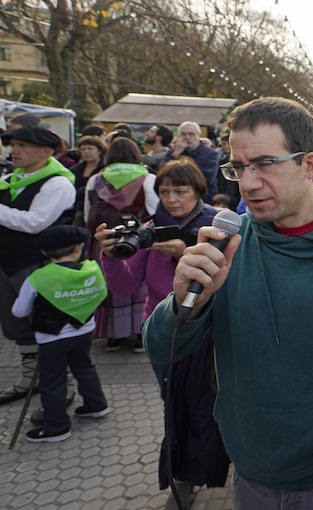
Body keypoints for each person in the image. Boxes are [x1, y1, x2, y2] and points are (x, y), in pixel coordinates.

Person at [143, 96, 313, 509]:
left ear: (310, 164)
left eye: (264, 164)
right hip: (251, 473)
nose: (246, 183)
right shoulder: (228, 240)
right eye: (238, 167)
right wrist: (182, 303)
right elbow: (161, 347)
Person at [94, 158, 227, 507]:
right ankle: (183, 476)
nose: (171, 199)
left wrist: (188, 253)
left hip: (213, 332)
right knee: (175, 406)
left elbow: (234, 282)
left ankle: (222, 466)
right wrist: (109, 255)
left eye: (180, 191)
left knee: (213, 407)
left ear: (198, 191)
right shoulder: (150, 229)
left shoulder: (217, 225)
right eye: (164, 191)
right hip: (166, 332)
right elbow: (124, 285)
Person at [12, 225, 110, 442]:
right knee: (84, 367)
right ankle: (96, 405)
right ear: (79, 247)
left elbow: (19, 311)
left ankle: (56, 427)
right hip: (85, 330)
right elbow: (101, 295)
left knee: (53, 380)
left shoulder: (38, 277)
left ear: (44, 252)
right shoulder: (92, 269)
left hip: (51, 337)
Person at [0, 126, 76, 405]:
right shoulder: (10, 179)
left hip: (40, 266)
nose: (14, 150)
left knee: (49, 327)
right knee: (18, 325)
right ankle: (30, 378)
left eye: (22, 145)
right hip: (9, 264)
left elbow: (35, 223)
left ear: (45, 152)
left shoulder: (57, 183)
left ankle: (61, 388)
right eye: (12, 145)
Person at [84, 137, 158, 352]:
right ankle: (138, 335)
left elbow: (88, 213)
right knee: (138, 287)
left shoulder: (95, 179)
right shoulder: (148, 179)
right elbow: (154, 211)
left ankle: (113, 336)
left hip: (105, 239)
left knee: (111, 285)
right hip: (136, 239)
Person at [159, 121, 220, 202]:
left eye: (191, 134)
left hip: (202, 198)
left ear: (198, 136)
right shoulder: (173, 152)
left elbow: (207, 178)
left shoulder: (210, 154)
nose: (187, 137)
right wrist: (175, 155)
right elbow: (160, 172)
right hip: (175, 197)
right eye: (183, 134)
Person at [70, 136, 107, 226]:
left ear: (99, 150)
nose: (86, 152)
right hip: (76, 209)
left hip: (98, 209)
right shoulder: (75, 169)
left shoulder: (105, 169)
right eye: (83, 149)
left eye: (90, 149)